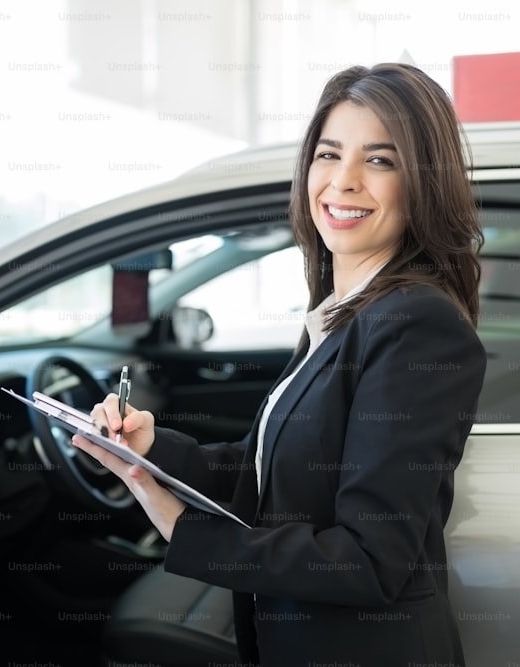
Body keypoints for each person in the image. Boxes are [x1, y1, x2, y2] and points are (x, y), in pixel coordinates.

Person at [72, 62, 487, 667]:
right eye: (328, 154)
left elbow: (368, 560)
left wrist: (184, 528)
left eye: (379, 160)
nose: (342, 182)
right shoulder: (344, 312)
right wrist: (153, 449)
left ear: (422, 182)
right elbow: (274, 475)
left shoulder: (416, 326)